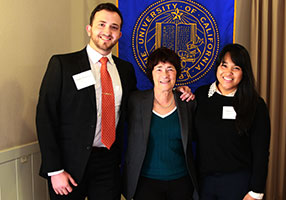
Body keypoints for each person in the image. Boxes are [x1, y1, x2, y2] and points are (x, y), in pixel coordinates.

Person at [36, 3, 194, 200]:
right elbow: (45, 117)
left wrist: (176, 90)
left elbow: (140, 106)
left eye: (114, 27)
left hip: (108, 163)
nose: (107, 31)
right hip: (68, 165)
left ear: (119, 34)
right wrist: (54, 169)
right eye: (101, 24)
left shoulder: (125, 70)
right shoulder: (63, 64)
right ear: (89, 29)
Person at [194, 43, 271, 200]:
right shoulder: (201, 96)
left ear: (244, 73)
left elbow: (261, 151)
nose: (228, 72)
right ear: (217, 67)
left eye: (236, 68)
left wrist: (256, 191)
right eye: (224, 65)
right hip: (204, 182)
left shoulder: (255, 104)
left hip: (238, 183)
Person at [123, 47, 199, 200]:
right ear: (151, 74)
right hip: (145, 182)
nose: (165, 75)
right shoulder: (135, 101)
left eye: (170, 69)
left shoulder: (187, 103)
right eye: (159, 69)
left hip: (181, 182)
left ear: (177, 73)